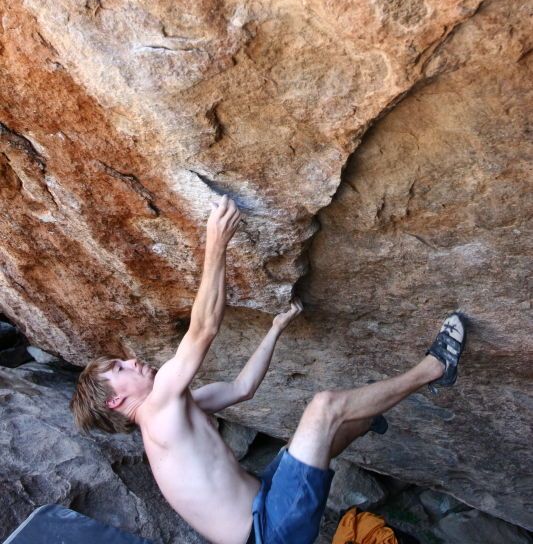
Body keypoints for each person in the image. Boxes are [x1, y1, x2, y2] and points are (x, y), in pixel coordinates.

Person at [70, 195, 467, 544]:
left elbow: (243, 388)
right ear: (116, 399)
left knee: (308, 442)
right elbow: (203, 329)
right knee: (323, 408)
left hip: (266, 499)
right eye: (119, 367)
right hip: (268, 532)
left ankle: (365, 418)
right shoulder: (157, 413)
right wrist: (216, 242)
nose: (132, 360)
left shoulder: (178, 413)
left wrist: (275, 330)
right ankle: (434, 369)